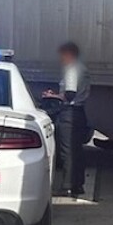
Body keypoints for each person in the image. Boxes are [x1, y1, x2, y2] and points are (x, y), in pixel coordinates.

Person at [43, 41, 90, 197]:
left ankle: (67, 185)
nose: (60, 58)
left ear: (69, 54)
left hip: (69, 113)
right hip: (79, 113)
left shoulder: (72, 69)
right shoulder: (82, 68)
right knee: (77, 150)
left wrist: (52, 96)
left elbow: (70, 94)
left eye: (62, 55)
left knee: (66, 151)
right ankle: (78, 184)